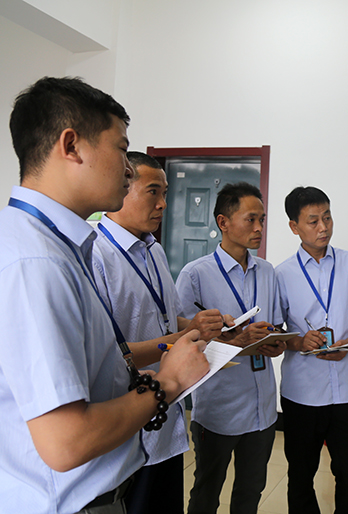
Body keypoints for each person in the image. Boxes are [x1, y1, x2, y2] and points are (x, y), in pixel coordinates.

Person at [0, 77, 209, 514]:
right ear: (71, 146)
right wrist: (169, 381)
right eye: (121, 149)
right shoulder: (32, 262)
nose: (128, 169)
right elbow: (66, 442)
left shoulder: (50, 244)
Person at [92, 151, 233, 514]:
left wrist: (197, 325)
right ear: (122, 186)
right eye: (153, 192)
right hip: (128, 424)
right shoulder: (95, 255)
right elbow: (110, 351)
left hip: (166, 419)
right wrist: (178, 339)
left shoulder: (153, 249)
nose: (164, 204)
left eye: (165, 193)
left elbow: (164, 318)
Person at [176, 182, 286, 514]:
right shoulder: (195, 275)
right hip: (219, 408)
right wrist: (236, 340)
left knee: (251, 492)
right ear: (223, 222)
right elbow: (182, 343)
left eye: (262, 220)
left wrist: (275, 341)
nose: (259, 228)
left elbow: (274, 326)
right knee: (206, 492)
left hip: (262, 406)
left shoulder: (267, 271)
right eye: (251, 219)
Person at [275, 186, 348, 514]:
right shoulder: (281, 274)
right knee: (300, 474)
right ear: (294, 226)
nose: (323, 227)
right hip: (302, 393)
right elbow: (275, 333)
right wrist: (298, 342)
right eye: (313, 221)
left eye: (327, 217)